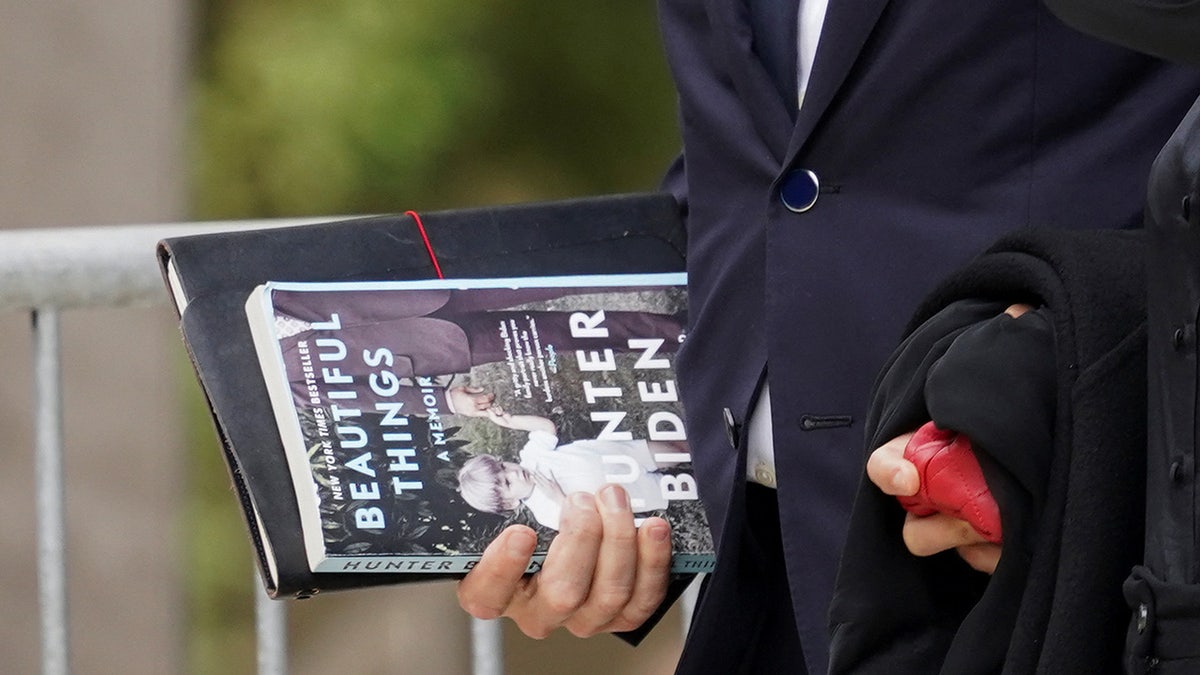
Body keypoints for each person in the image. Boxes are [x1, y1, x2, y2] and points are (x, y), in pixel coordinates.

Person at [456, 2, 1200, 671]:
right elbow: (757, 162)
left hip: (1053, 570)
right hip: (762, 585)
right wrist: (638, 531)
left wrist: (1092, 373)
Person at [457, 408, 678, 530]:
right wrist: (559, 498)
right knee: (686, 485)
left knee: (675, 450)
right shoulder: (545, 512)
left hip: (624, 454)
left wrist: (512, 421)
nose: (513, 473)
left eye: (503, 467)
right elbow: (586, 524)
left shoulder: (531, 457)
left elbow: (546, 429)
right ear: (510, 503)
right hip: (633, 492)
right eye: (507, 483)